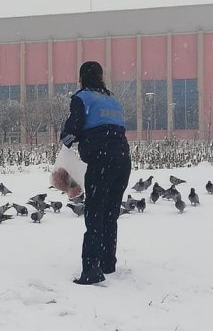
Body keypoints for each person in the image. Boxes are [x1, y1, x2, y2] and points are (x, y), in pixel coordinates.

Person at [58, 61, 131, 285]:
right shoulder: (112, 99)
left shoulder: (82, 98)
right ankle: (108, 262)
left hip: (101, 162)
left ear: (82, 78)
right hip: (123, 161)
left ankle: (91, 270)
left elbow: (73, 129)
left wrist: (66, 141)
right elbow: (109, 127)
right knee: (110, 213)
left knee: (95, 213)